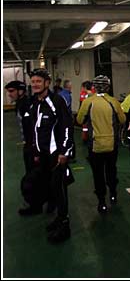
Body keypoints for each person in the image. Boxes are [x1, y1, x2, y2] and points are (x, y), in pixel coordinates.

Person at [30, 68, 74, 243]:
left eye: (38, 81)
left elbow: (66, 127)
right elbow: (36, 129)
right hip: (44, 155)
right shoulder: (35, 102)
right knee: (52, 188)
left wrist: (64, 152)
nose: (35, 84)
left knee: (60, 189)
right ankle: (59, 218)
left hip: (57, 155)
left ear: (47, 83)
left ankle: (65, 225)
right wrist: (36, 151)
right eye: (33, 81)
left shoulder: (57, 101)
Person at [76, 75, 126, 214]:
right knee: (111, 169)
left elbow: (79, 120)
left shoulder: (88, 102)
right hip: (112, 144)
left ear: (94, 87)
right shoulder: (113, 101)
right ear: (108, 87)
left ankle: (101, 202)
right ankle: (113, 193)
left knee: (98, 173)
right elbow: (122, 119)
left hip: (95, 145)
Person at [5, 80, 37, 214]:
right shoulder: (20, 104)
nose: (9, 94)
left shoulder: (26, 105)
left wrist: (34, 149)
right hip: (29, 145)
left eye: (12, 91)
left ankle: (34, 205)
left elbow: (33, 127)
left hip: (33, 146)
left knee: (32, 176)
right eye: (8, 91)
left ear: (21, 91)